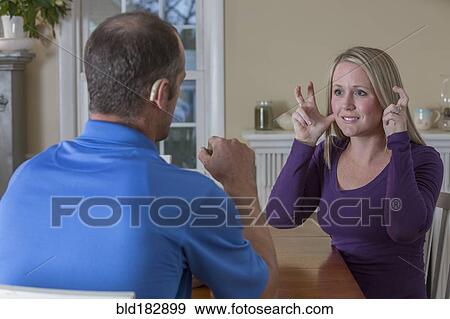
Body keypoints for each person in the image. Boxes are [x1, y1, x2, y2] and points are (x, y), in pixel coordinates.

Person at [0, 12, 278, 298]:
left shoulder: (24, 177)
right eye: (180, 84)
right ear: (161, 92)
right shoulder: (191, 198)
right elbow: (259, 301)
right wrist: (240, 184)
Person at [267, 46, 443, 298]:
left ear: (386, 99)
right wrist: (304, 144)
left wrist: (399, 143)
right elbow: (280, 217)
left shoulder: (422, 160)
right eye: (338, 92)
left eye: (360, 92)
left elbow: (403, 230)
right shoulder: (330, 152)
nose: (346, 104)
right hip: (339, 295)